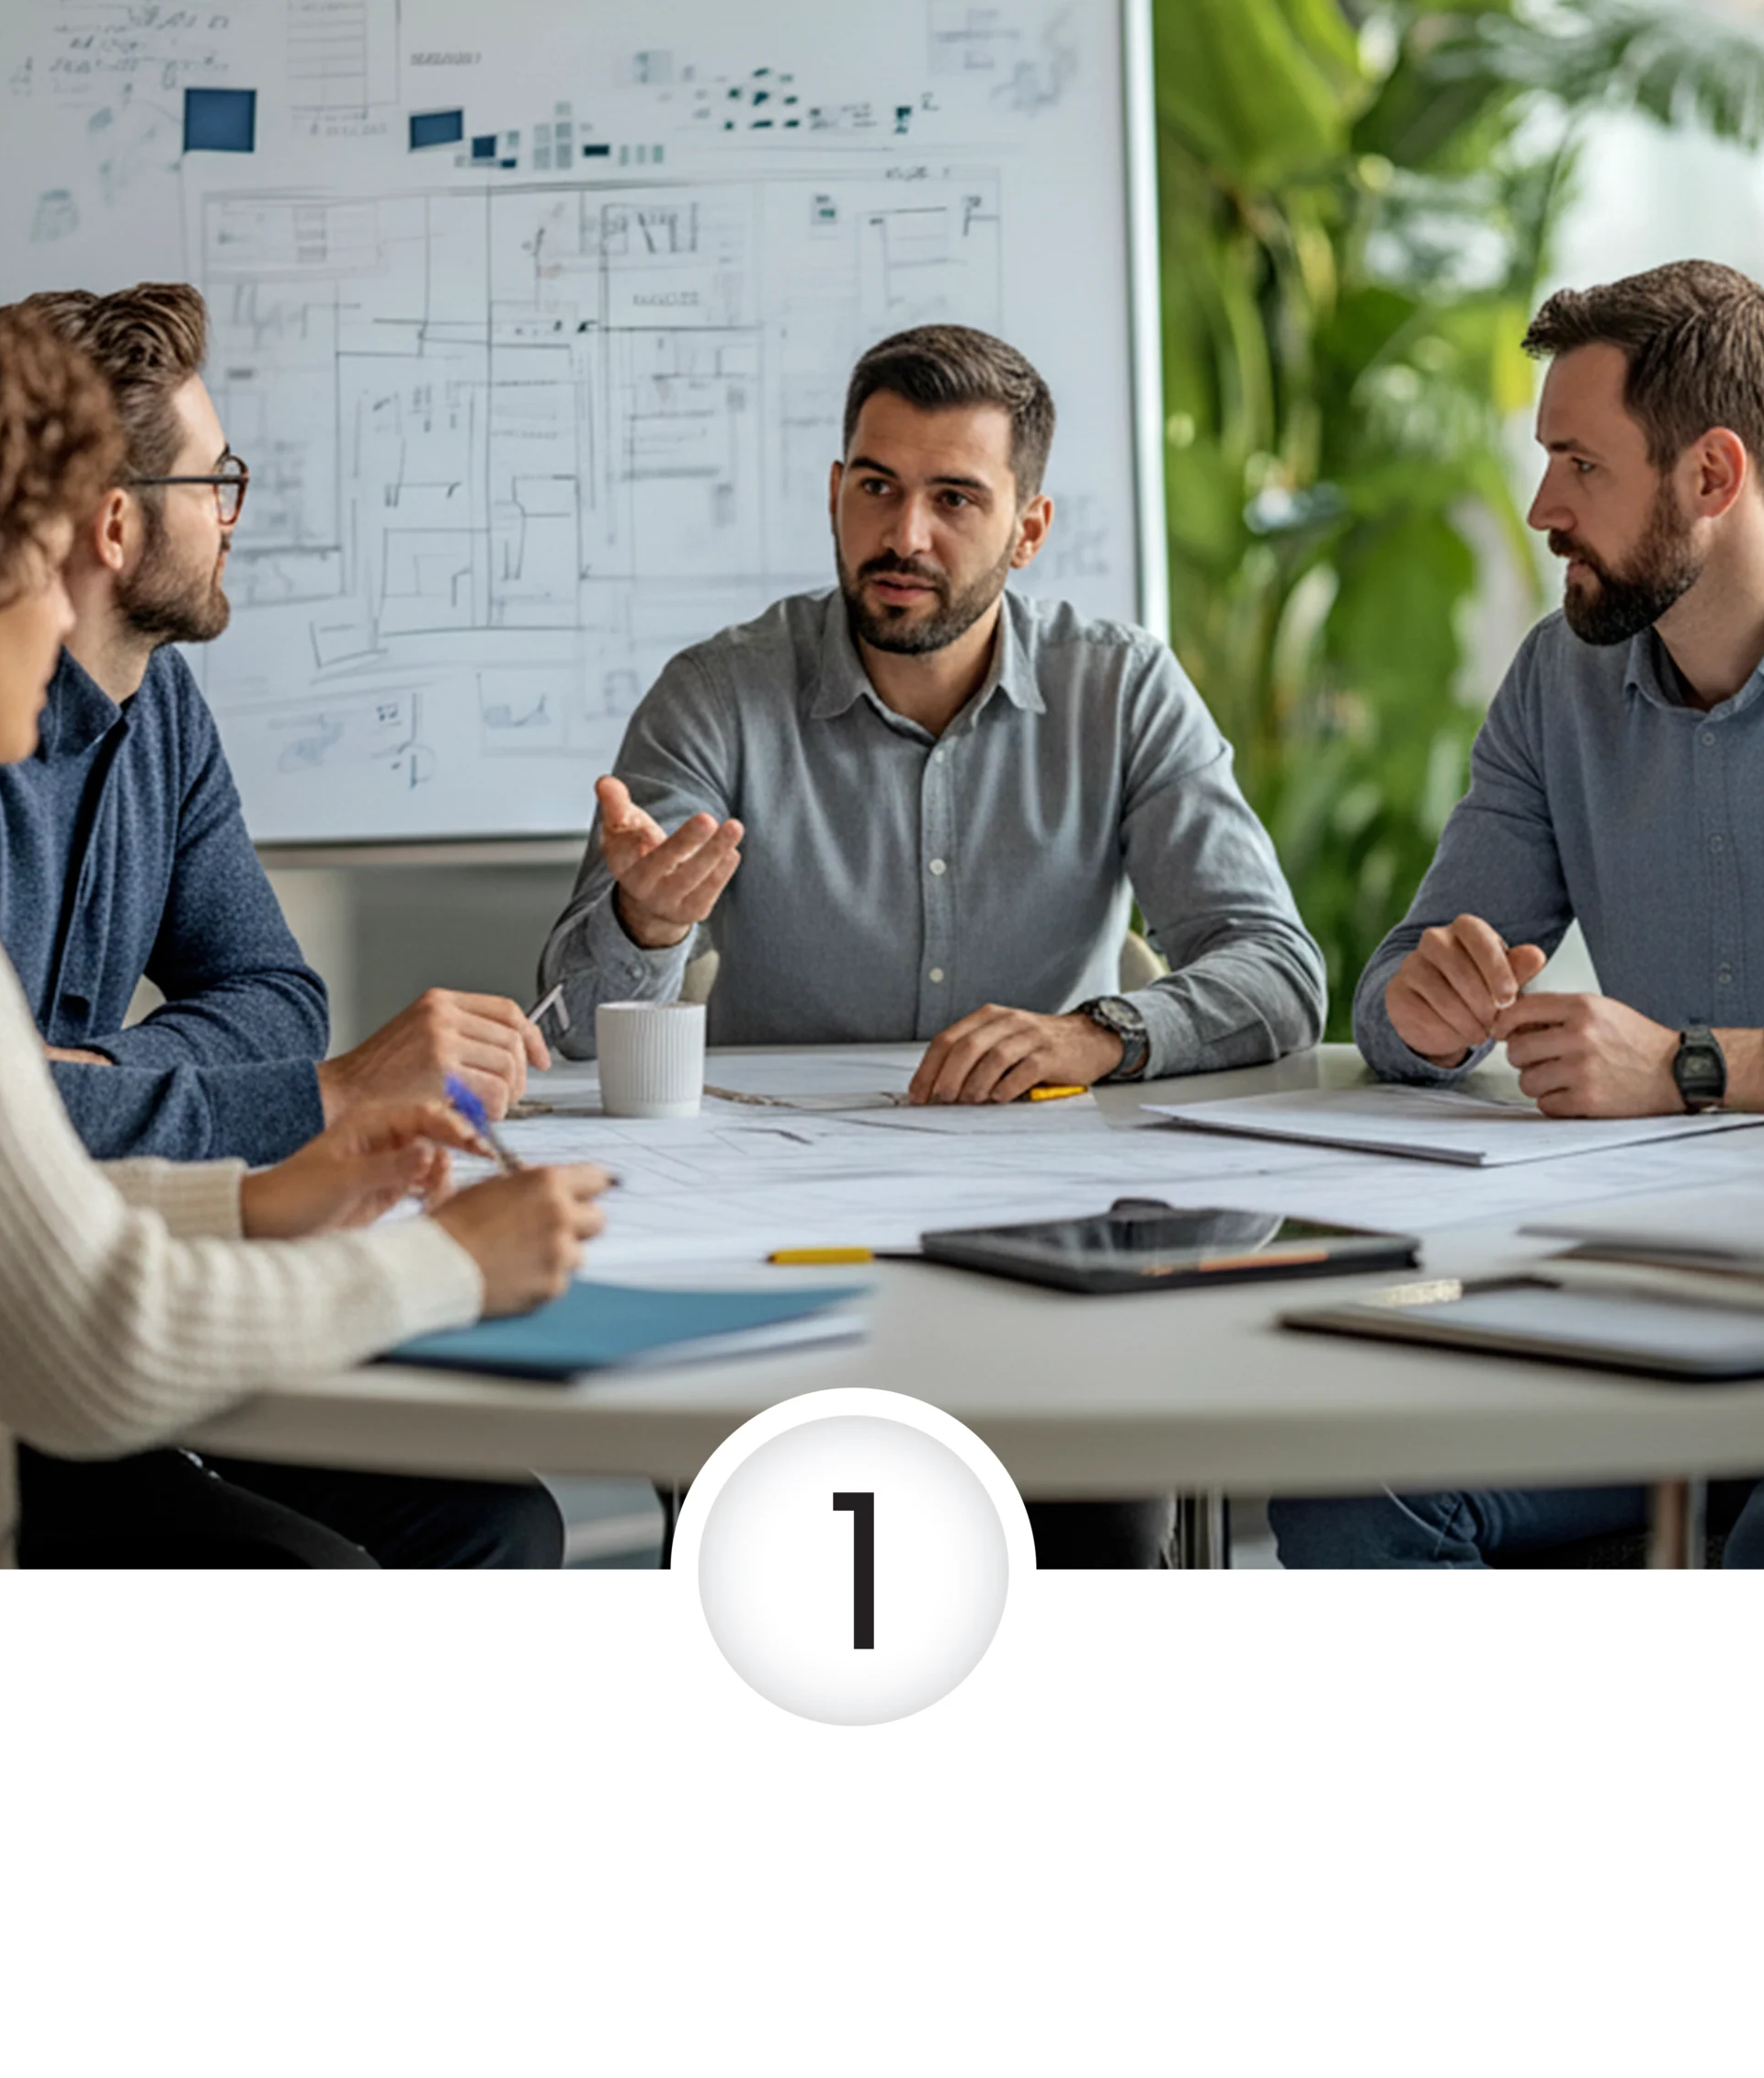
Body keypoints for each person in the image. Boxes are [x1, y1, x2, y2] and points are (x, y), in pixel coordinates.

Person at [0, 291, 609, 1572]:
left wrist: (255, 1198)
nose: (63, 615)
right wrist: (452, 1265)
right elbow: (93, 1347)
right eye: (30, 556)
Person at [1275, 257, 1764, 1571]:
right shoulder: (1559, 680)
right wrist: (1424, 1007)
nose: (1540, 506)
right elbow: (1404, 982)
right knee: (1354, 1492)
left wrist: (1694, 1067)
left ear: (1712, 476)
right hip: (1653, 1293)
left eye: (1582, 464)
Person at [539, 324, 1327, 1568]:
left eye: (954, 497)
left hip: (1046, 1246)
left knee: (1098, 1541)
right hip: (775, 1249)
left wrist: (1096, 1035)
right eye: (876, 487)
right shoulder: (720, 692)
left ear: (1029, 529)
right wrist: (646, 923)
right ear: (839, 494)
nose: (905, 534)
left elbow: (1277, 973)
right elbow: (567, 1036)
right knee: (777, 1577)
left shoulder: (1120, 689)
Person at [0, 283, 566, 1572]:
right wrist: (317, 1095)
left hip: (143, 1248)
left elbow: (272, 991)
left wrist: (103, 1073)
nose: (232, 512)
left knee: (500, 1525)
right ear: (116, 523)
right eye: (215, 481)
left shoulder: (163, 706)